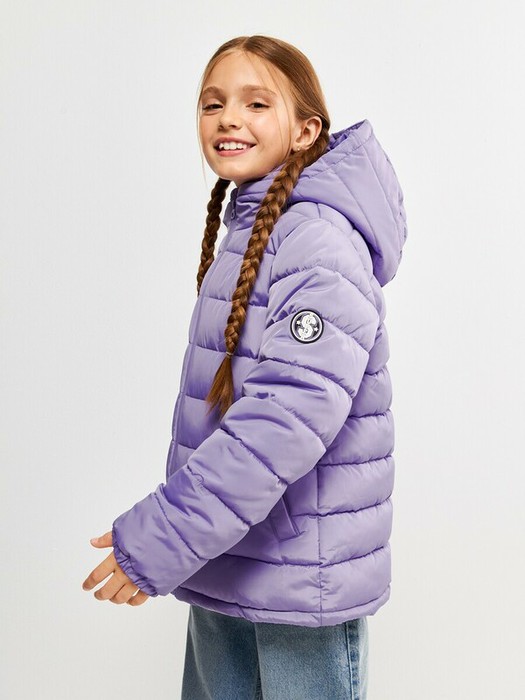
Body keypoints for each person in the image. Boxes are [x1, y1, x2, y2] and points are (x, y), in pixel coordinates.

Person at [82, 34, 408, 699]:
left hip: (297, 582)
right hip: (229, 556)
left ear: (305, 130)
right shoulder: (255, 231)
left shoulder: (316, 240)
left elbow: (287, 417)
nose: (229, 118)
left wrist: (166, 533)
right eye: (213, 104)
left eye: (256, 103)